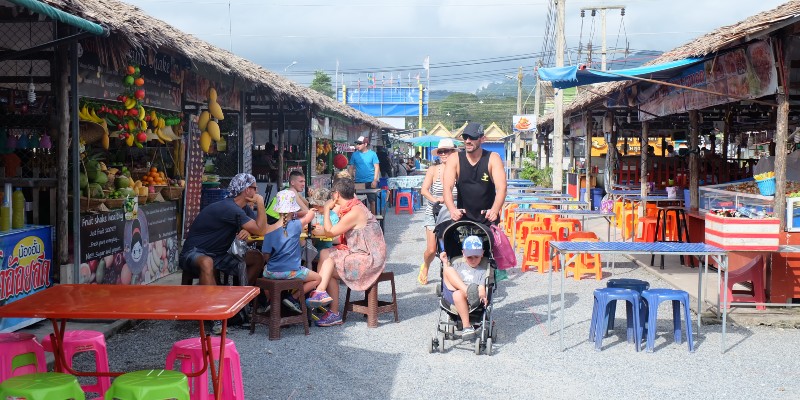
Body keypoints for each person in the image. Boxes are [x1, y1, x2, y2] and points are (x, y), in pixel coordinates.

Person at [179, 173, 270, 334]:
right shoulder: (229, 207)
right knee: (207, 262)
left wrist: (248, 233)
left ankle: (236, 302)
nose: (257, 192)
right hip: (194, 253)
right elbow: (260, 229)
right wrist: (261, 203)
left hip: (219, 254)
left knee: (256, 258)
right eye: (255, 188)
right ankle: (215, 315)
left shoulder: (244, 209)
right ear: (246, 190)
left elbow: (261, 230)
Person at [308, 178, 387, 327]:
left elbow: (330, 233)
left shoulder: (354, 212)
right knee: (325, 253)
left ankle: (321, 295)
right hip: (358, 251)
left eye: (332, 193)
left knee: (330, 259)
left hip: (369, 259)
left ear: (336, 194)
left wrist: (326, 209)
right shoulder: (352, 206)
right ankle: (327, 304)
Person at [261, 190, 322, 314]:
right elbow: (309, 217)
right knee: (317, 278)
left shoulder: (269, 230)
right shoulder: (296, 225)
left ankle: (270, 301)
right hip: (292, 271)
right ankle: (293, 299)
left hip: (272, 271)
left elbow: (266, 255)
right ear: (293, 210)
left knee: (263, 277)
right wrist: (310, 211)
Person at [443, 122, 507, 224]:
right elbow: (447, 188)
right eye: (465, 137)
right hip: (462, 218)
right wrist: (452, 210)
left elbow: (501, 188)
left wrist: (494, 211)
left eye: (472, 137)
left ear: (482, 139)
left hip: (487, 217)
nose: (468, 141)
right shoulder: (454, 159)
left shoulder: (493, 158)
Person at [418, 138, 458, 285]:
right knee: (431, 249)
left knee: (453, 246)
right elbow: (424, 190)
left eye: (446, 151)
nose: (442, 154)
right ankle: (426, 266)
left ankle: (453, 274)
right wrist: (436, 199)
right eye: (440, 151)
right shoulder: (433, 169)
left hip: (453, 211)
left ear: (453, 152)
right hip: (434, 211)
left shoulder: (459, 170)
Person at [440, 235, 488, 341]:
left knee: (459, 294)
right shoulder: (458, 265)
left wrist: (482, 296)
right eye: (469, 257)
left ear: (482, 254)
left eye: (476, 256)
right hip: (453, 291)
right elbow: (447, 276)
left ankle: (466, 327)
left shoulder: (482, 271)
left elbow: (481, 288)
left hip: (471, 299)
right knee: (448, 270)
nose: (473, 260)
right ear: (463, 254)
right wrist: (444, 262)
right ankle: (467, 291)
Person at [348, 135, 380, 208]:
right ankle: (362, 218)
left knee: (372, 201)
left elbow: (377, 167)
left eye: (359, 144)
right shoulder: (354, 154)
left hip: (370, 181)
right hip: (359, 182)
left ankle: (373, 218)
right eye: (357, 143)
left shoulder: (372, 154)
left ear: (365, 144)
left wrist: (375, 180)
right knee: (358, 202)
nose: (357, 145)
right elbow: (351, 167)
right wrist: (350, 179)